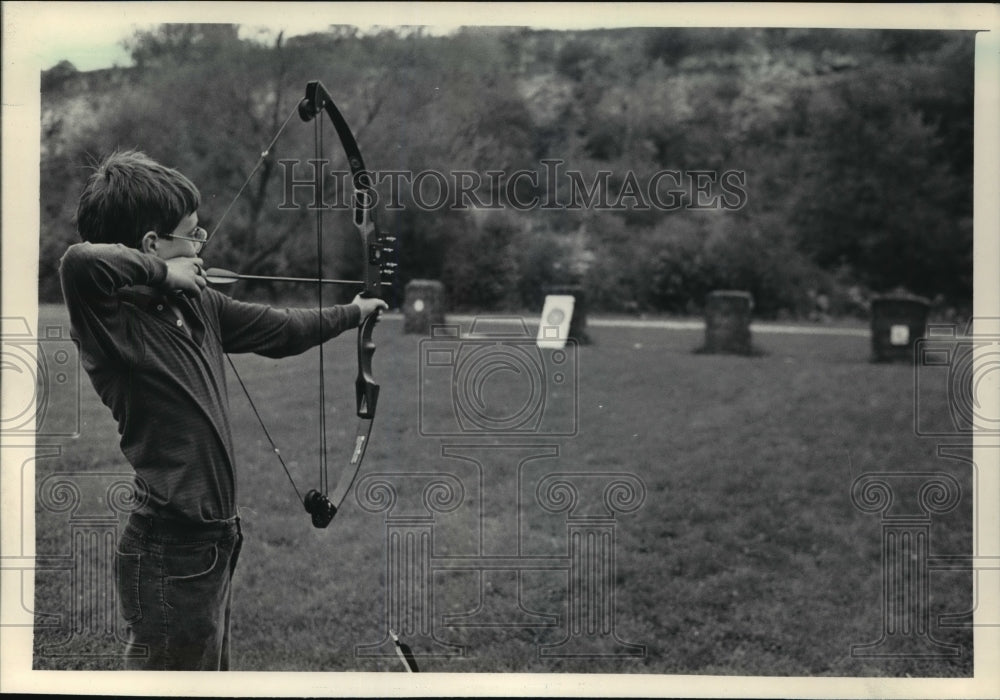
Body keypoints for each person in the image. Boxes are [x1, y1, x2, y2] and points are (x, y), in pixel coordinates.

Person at [59, 150, 387, 670]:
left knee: (206, 671)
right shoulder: (114, 324)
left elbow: (281, 329)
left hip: (214, 536)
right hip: (169, 540)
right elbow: (79, 262)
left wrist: (354, 312)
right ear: (152, 246)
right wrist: (164, 275)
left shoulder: (200, 305)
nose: (203, 240)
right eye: (193, 233)